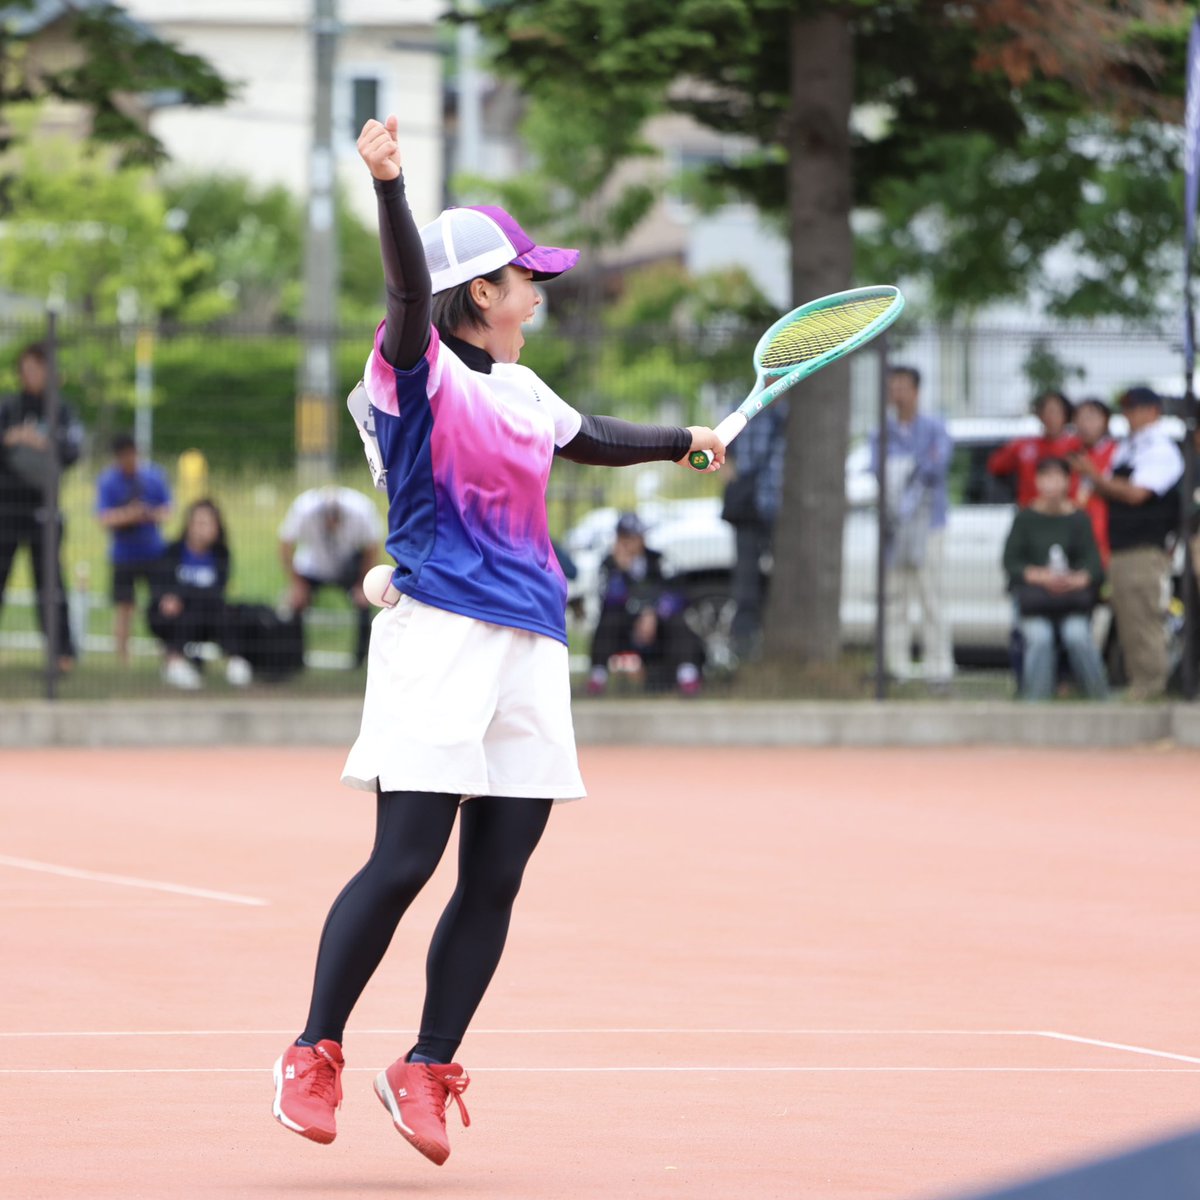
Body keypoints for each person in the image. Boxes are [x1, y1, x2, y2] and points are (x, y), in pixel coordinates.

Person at [270, 115, 726, 1163]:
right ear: (480, 292)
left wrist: (682, 442)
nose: (540, 292)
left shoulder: (520, 387)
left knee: (498, 874)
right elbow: (404, 292)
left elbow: (589, 437)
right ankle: (312, 1050)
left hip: (532, 644)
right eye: (528, 278)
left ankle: (426, 1065)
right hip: (440, 637)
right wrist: (390, 189)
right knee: (404, 862)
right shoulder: (415, 371)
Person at [1072, 385, 1183, 699]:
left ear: (1153, 412)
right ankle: (1140, 683)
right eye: (1125, 410)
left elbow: (1137, 494)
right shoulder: (1128, 447)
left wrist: (1096, 477)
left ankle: (1152, 684)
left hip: (1145, 547)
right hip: (1120, 547)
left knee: (1144, 616)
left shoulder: (1160, 449)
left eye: (1134, 409)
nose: (1128, 415)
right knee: (1128, 618)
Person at [0, 342, 84, 670]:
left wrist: (43, 441)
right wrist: (12, 438)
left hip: (43, 508)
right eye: (26, 368)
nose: (31, 374)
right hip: (6, 507)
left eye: (37, 368)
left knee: (49, 583)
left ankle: (61, 652)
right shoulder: (9, 407)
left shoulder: (61, 410)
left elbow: (73, 450)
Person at [869, 365, 954, 689]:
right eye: (892, 387)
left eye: (903, 386)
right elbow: (878, 469)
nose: (897, 393)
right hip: (893, 528)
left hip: (929, 525)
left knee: (931, 597)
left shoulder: (935, 427)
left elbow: (936, 466)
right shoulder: (881, 432)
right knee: (895, 601)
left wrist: (905, 469)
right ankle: (897, 669)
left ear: (917, 390)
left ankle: (939, 670)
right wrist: (912, 467)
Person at [1002, 457, 1107, 701]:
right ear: (1037, 481)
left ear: (1068, 482)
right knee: (1040, 638)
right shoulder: (1025, 519)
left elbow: (1094, 564)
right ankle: (1036, 701)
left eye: (1057, 477)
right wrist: (1041, 576)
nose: (1051, 484)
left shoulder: (1079, 519)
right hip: (1036, 601)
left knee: (1077, 636)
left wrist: (1076, 579)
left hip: (1070, 600)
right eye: (1046, 477)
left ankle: (1099, 697)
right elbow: (1011, 562)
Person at [586, 511, 705, 696]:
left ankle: (687, 675)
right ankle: (597, 677)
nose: (630, 543)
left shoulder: (658, 560)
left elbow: (679, 594)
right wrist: (622, 572)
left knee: (679, 623)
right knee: (608, 622)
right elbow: (607, 600)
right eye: (624, 538)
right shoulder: (609, 565)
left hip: (658, 625)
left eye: (634, 537)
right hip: (625, 626)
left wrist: (652, 613)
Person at [147, 499, 252, 689]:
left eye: (207, 523)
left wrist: (184, 594)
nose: (201, 529)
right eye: (198, 522)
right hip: (174, 615)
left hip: (208, 614)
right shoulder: (172, 551)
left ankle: (236, 660)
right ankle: (174, 662)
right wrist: (174, 597)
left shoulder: (221, 554)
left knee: (224, 609)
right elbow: (161, 587)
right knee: (185, 608)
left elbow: (217, 591)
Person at [278, 485, 383, 668]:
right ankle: (296, 659)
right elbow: (285, 546)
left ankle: (360, 661)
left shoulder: (362, 509)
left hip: (347, 568)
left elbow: (372, 548)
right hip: (312, 567)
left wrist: (362, 584)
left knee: (365, 602)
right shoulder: (303, 509)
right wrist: (297, 584)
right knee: (295, 604)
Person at [95, 433, 172, 664]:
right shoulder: (108, 481)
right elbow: (104, 518)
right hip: (123, 556)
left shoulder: (154, 476)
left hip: (153, 553)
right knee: (124, 607)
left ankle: (169, 652)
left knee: (161, 604)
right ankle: (123, 658)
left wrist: (148, 513)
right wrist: (130, 515)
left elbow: (167, 510)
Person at [722, 397, 788, 663]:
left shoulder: (788, 412)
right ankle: (744, 649)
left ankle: (778, 641)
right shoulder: (741, 408)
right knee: (746, 581)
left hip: (781, 508)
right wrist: (732, 479)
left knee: (783, 577)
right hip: (749, 507)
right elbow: (723, 451)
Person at [987, 389, 1081, 508]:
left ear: (1066, 415)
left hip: (1065, 512)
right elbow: (995, 466)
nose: (1051, 417)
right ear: (1040, 415)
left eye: (1056, 412)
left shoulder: (1077, 446)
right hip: (1031, 511)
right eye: (1047, 411)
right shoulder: (1023, 446)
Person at [1068, 398, 1116, 568]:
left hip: (1108, 536)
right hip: (1075, 534)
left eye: (1091, 418)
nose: (1084, 424)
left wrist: (1090, 472)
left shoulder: (1118, 452)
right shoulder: (1070, 453)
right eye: (1079, 418)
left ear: (1106, 421)